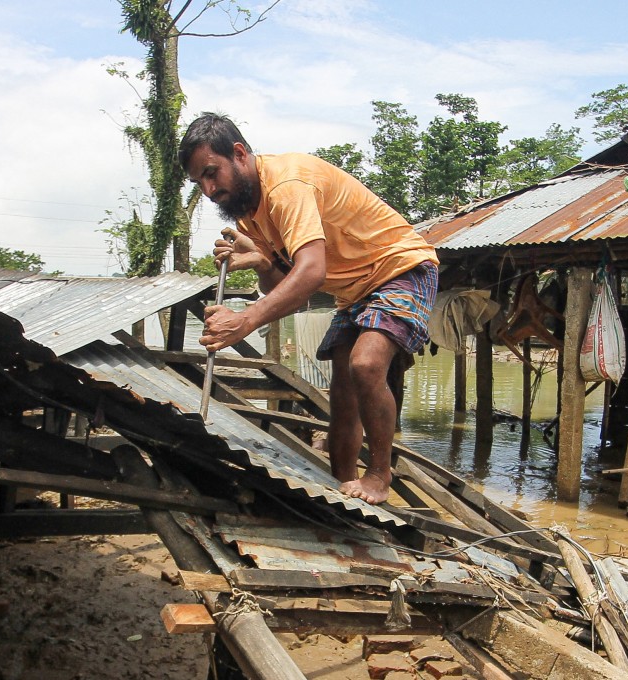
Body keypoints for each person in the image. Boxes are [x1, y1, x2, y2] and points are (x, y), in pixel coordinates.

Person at [178, 113, 439, 505]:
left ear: (239, 154)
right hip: (353, 290)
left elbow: (312, 272)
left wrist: (245, 321)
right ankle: (340, 486)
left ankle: (379, 475)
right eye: (200, 182)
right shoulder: (250, 215)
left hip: (400, 267)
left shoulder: (287, 185)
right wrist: (263, 262)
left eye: (212, 173)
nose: (210, 189)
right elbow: (286, 290)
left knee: (366, 365)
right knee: (342, 392)